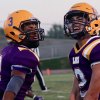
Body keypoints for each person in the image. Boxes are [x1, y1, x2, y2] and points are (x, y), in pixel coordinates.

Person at [0, 10, 44, 100]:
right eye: (28, 26)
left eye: (35, 25)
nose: (35, 30)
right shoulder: (24, 55)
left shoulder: (7, 50)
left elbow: (17, 86)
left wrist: (34, 97)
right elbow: (12, 87)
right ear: (14, 31)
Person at [64, 2, 100, 100]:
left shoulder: (96, 47)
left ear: (93, 21)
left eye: (80, 19)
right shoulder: (73, 52)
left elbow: (93, 95)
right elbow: (78, 87)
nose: (75, 23)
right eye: (72, 20)